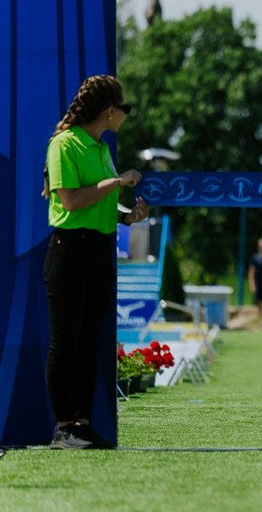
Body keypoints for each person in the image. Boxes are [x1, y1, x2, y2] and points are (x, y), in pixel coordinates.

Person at [42, 75, 148, 449]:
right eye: (124, 108)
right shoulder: (64, 145)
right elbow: (70, 201)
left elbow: (99, 199)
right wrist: (116, 183)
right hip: (69, 250)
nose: (125, 115)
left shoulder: (101, 147)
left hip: (100, 250)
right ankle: (63, 427)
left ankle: (82, 424)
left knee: (88, 341)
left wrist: (125, 217)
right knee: (65, 341)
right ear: (109, 110)